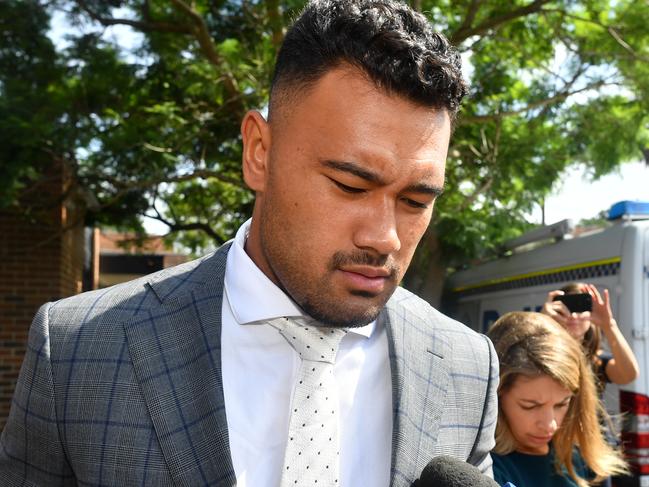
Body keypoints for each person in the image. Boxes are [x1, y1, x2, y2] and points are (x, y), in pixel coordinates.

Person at [0, 0, 498, 486]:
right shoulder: (76, 351)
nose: (384, 236)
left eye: (415, 200)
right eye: (350, 186)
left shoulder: (468, 369)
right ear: (259, 153)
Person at [488, 311, 628, 487]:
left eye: (562, 404)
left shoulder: (577, 457)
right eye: (530, 406)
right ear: (496, 395)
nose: (550, 425)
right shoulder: (487, 469)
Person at [541, 282, 639, 393]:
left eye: (580, 307)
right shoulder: (544, 355)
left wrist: (609, 325)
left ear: (591, 314)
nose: (573, 315)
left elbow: (628, 376)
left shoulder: (597, 360)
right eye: (566, 308)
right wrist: (543, 323)